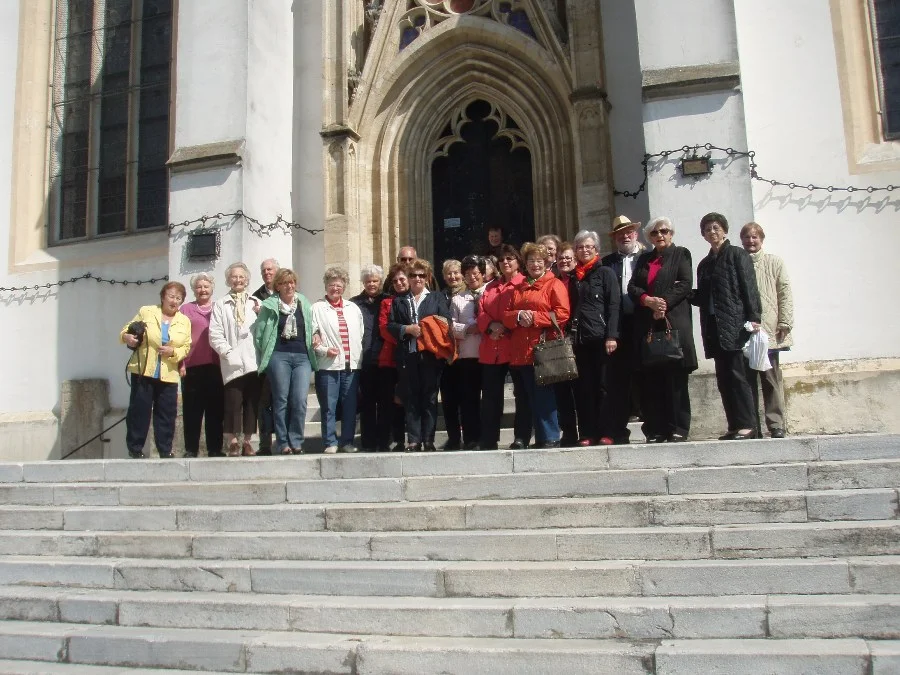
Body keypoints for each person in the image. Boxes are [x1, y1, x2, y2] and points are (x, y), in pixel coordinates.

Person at [628, 217, 698, 442]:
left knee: (675, 378)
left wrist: (662, 304)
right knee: (652, 379)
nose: (660, 235)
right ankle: (656, 429)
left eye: (664, 231)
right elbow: (633, 287)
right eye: (655, 232)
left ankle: (678, 427)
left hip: (673, 322)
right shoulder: (644, 259)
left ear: (671, 233)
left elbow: (685, 284)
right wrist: (647, 301)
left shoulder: (681, 254)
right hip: (648, 324)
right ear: (649, 237)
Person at [693, 212, 762, 440]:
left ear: (724, 230)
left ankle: (748, 425)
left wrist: (754, 317)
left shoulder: (737, 255)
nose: (712, 232)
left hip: (735, 325)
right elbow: (703, 297)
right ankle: (734, 425)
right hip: (714, 326)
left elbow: (749, 287)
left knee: (738, 376)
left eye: (716, 228)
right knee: (724, 379)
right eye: (707, 229)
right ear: (703, 235)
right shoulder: (704, 265)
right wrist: (681, 292)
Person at [502, 242, 570, 449]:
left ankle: (550, 436)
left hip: (544, 348)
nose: (535, 265)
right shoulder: (518, 287)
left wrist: (534, 318)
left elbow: (562, 314)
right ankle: (540, 438)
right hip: (521, 350)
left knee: (545, 395)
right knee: (529, 397)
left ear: (546, 262)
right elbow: (506, 316)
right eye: (531, 261)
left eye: (539, 261)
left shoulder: (554, 284)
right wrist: (518, 316)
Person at [120, 282, 192, 459]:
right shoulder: (147, 311)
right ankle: (135, 448)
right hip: (144, 370)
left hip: (169, 373)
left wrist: (173, 351)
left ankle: (165, 450)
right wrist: (127, 337)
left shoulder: (184, 321)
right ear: (163, 297)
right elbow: (126, 330)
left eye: (178, 298)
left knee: (166, 414)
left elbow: (186, 347)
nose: (174, 301)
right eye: (171, 296)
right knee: (139, 411)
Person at [388, 258, 451, 452]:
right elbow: (391, 325)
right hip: (408, 355)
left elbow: (446, 321)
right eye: (413, 275)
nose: (417, 279)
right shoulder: (398, 300)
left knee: (429, 398)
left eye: (421, 275)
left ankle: (429, 440)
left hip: (430, 355)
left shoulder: (436, 298)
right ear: (408, 277)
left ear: (427, 277)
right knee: (411, 398)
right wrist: (407, 329)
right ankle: (414, 440)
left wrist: (428, 327)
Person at [254, 268, 317, 455]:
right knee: (281, 399)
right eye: (284, 283)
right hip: (279, 355)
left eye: (292, 282)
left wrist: (316, 335)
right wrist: (267, 353)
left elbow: (311, 326)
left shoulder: (303, 302)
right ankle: (283, 442)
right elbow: (260, 334)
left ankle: (296, 440)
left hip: (302, 356)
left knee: (299, 399)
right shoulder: (269, 305)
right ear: (278, 286)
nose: (289, 286)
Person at [740, 222, 793, 438]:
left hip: (768, 329)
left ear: (762, 239)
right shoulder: (737, 262)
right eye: (747, 237)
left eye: (755, 237)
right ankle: (753, 425)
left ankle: (776, 424)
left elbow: (784, 292)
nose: (751, 241)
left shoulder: (774, 262)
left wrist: (785, 322)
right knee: (747, 381)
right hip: (745, 331)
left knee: (771, 379)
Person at [477, 244, 532, 450]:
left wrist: (505, 326)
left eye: (510, 258)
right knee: (491, 396)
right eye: (501, 260)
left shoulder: (524, 283)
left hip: (515, 346)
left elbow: (527, 309)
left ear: (518, 261)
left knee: (522, 394)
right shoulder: (491, 287)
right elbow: (481, 310)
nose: (505, 262)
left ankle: (521, 437)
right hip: (491, 347)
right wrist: (491, 326)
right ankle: (489, 439)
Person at [570, 230, 621, 446]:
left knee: (604, 386)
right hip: (580, 340)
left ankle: (607, 431)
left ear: (596, 249)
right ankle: (587, 433)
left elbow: (614, 305)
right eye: (580, 247)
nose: (584, 250)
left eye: (588, 246)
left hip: (602, 338)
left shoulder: (605, 272)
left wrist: (612, 335)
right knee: (584, 387)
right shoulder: (573, 276)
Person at [601, 215, 645, 444]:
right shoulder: (607, 262)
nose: (625, 236)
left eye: (628, 232)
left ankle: (653, 428)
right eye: (620, 234)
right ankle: (618, 430)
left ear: (635, 234)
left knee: (646, 375)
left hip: (643, 323)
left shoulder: (646, 258)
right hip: (617, 326)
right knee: (617, 379)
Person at [209, 262, 261, 457]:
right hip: (231, 359)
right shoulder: (221, 304)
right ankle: (232, 441)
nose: (238, 280)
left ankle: (247, 442)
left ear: (247, 280)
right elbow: (215, 333)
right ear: (228, 280)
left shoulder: (256, 303)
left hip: (253, 359)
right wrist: (228, 352)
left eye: (241, 277)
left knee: (251, 403)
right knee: (232, 402)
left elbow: (263, 330)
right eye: (234, 277)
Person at [312, 266, 365, 454]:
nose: (335, 288)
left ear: (344, 287)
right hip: (329, 365)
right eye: (332, 285)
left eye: (339, 285)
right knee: (329, 406)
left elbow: (360, 334)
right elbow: (312, 336)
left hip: (351, 365)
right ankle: (330, 442)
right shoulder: (317, 308)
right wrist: (324, 350)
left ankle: (347, 441)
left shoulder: (353, 308)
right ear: (326, 285)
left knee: (350, 406)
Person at [179, 273, 224, 458]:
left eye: (206, 286)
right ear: (193, 289)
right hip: (192, 365)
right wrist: (180, 363)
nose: (202, 290)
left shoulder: (219, 308)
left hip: (216, 365)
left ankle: (215, 449)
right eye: (199, 287)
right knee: (192, 410)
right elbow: (178, 336)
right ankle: (191, 449)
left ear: (212, 288)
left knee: (215, 409)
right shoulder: (185, 309)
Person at [448, 255, 487, 449]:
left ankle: (488, 437)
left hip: (489, 354)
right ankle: (471, 438)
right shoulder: (457, 299)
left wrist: (484, 325)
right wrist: (469, 329)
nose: (472, 277)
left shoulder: (491, 293)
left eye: (475, 273)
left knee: (489, 400)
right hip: (468, 355)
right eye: (468, 274)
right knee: (469, 399)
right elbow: (451, 326)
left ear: (483, 274)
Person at [351, 264, 389, 452]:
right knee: (367, 403)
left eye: (375, 281)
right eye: (368, 281)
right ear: (363, 283)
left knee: (385, 402)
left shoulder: (389, 300)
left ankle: (384, 442)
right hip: (364, 358)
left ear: (380, 281)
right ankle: (368, 442)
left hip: (385, 358)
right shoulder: (354, 303)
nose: (371, 284)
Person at [379, 265, 413, 451]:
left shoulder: (416, 299)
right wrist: (404, 338)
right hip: (392, 357)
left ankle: (416, 438)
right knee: (394, 400)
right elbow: (385, 328)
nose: (399, 283)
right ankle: (398, 439)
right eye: (395, 281)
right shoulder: (387, 302)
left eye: (402, 279)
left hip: (413, 356)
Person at [553, 242, 580, 446]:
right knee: (562, 390)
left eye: (568, 258)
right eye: (561, 258)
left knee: (580, 389)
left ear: (575, 260)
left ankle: (587, 431)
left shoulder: (581, 280)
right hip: (558, 339)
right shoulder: (553, 282)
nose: (564, 261)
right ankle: (569, 432)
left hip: (579, 338)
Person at [439, 259, 466, 450]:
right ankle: (454, 437)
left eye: (456, 272)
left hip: (466, 353)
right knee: (448, 399)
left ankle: (471, 435)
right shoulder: (439, 296)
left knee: (466, 397)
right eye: (449, 273)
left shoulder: (469, 293)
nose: (453, 276)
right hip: (446, 355)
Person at [253, 258, 279, 456]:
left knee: (284, 400)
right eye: (264, 270)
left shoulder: (287, 293)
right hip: (264, 357)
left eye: (270, 269)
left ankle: (285, 441)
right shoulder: (255, 297)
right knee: (264, 402)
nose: (267, 273)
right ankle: (264, 444)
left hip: (284, 353)